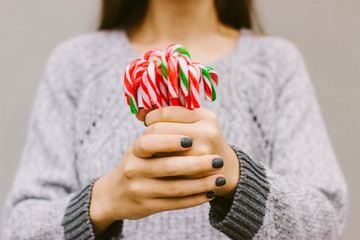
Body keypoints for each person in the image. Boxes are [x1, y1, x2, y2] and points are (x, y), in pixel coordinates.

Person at [3, 0, 348, 239]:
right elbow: (18, 227)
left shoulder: (276, 64)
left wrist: (236, 176)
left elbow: (327, 223)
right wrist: (104, 200)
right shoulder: (76, 63)